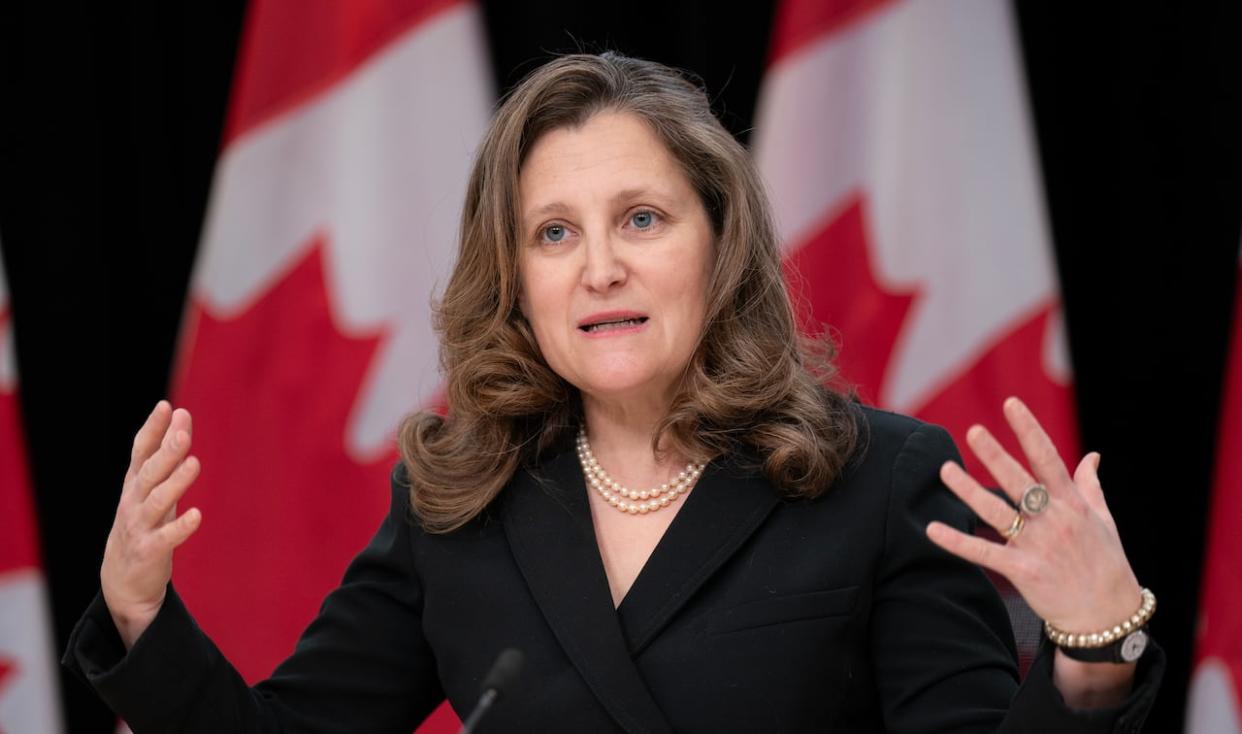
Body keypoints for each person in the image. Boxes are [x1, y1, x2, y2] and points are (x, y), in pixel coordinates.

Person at [64, 52, 1163, 732]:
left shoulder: (884, 480)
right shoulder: (459, 504)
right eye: (554, 234)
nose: (600, 268)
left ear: (718, 242)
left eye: (641, 217)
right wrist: (139, 612)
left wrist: (1091, 649)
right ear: (519, 281)